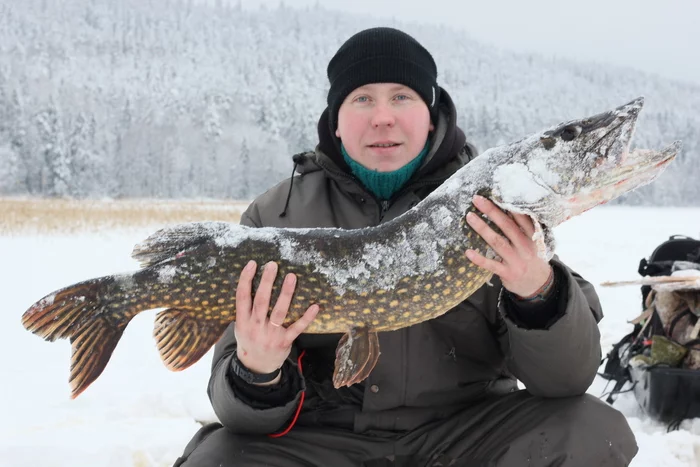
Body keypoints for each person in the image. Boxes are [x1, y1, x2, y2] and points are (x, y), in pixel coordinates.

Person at [174, 27, 638, 466]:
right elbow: (241, 417)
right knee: (216, 459)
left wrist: (539, 293)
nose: (383, 116)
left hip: (464, 434)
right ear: (335, 122)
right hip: (326, 441)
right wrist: (257, 371)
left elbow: (567, 380)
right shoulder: (276, 215)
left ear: (430, 112)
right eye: (362, 99)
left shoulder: (491, 207)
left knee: (592, 431)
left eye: (402, 96)